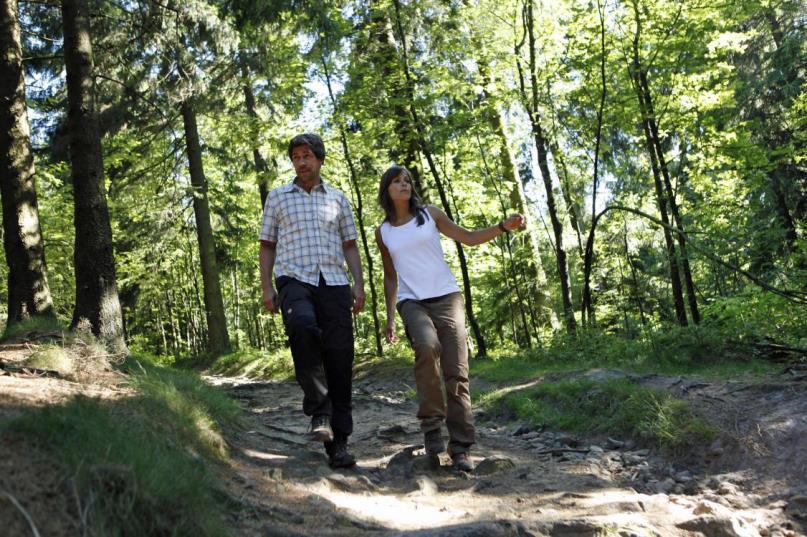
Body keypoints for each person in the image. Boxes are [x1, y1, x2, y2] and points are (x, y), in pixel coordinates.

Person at [375, 165, 524, 472]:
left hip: (446, 297)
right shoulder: (384, 232)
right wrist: (389, 319)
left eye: (407, 181)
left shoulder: (430, 214)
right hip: (411, 301)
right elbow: (390, 277)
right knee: (427, 347)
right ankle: (432, 431)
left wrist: (503, 226)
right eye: (397, 182)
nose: (404, 185)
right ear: (386, 190)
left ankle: (461, 447)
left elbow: (468, 238)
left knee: (456, 370)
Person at [259, 133, 365, 468]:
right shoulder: (278, 198)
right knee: (303, 328)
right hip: (293, 279)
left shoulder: (338, 198)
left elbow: (350, 244)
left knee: (339, 356)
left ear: (319, 159)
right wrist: (266, 288)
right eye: (295, 157)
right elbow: (267, 245)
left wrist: (359, 284)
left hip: (334, 281)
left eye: (307, 156)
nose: (301, 162)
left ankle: (339, 442)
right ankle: (319, 413)